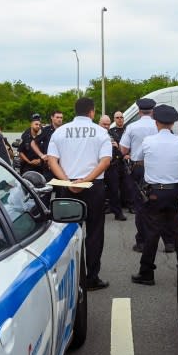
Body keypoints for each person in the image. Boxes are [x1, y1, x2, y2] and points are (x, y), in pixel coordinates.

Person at [46, 97, 111, 291]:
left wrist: (68, 182)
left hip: (66, 187)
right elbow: (105, 161)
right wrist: (86, 180)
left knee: (66, 232)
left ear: (75, 111)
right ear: (92, 112)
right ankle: (91, 278)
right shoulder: (101, 132)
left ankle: (66, 278)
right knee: (94, 233)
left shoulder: (59, 132)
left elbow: (52, 160)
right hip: (93, 187)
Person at [131, 104, 178, 286]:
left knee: (151, 233)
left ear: (156, 122)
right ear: (172, 124)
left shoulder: (148, 141)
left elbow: (137, 158)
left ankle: (147, 273)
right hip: (176, 191)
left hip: (155, 192)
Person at [119, 98, 159, 253]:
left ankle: (142, 241)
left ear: (139, 111)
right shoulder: (159, 125)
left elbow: (123, 150)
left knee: (140, 205)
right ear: (153, 110)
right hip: (157, 168)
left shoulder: (132, 127)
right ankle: (166, 241)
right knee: (158, 205)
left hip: (138, 168)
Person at [99, 114, 127, 221]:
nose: (106, 126)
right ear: (99, 123)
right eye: (104, 124)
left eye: (108, 124)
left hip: (112, 166)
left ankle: (118, 213)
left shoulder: (113, 134)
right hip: (98, 167)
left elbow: (121, 154)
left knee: (115, 191)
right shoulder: (94, 135)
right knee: (97, 191)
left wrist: (116, 146)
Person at [110, 111, 133, 211]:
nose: (120, 119)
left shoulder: (128, 130)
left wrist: (129, 155)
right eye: (117, 117)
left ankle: (130, 205)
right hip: (115, 162)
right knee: (114, 187)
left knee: (128, 185)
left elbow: (133, 145)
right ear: (114, 119)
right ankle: (114, 207)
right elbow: (112, 147)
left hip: (126, 162)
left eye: (121, 117)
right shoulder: (110, 132)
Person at [33, 110, 64, 180]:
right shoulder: (45, 130)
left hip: (62, 166)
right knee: (48, 188)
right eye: (57, 117)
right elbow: (33, 143)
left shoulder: (64, 130)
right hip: (48, 166)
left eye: (61, 118)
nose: (59, 119)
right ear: (52, 118)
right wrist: (41, 155)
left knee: (61, 189)